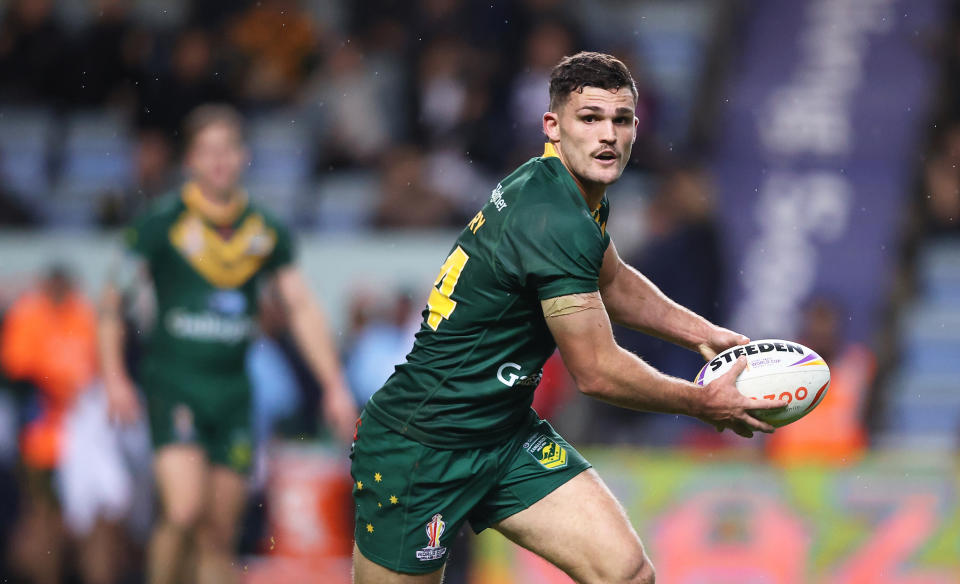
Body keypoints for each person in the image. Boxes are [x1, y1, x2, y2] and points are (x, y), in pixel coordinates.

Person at [349, 52, 787, 584]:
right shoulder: (553, 216)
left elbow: (612, 278)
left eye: (621, 120)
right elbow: (596, 372)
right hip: (423, 445)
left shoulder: (568, 190)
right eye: (590, 118)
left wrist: (705, 333)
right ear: (552, 126)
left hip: (503, 434)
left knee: (625, 573)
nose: (608, 135)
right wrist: (702, 402)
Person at [98, 104, 358, 584]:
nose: (219, 160)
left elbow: (300, 307)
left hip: (234, 392)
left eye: (228, 149)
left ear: (244, 157)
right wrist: (114, 377)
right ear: (190, 160)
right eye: (207, 150)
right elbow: (113, 302)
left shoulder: (263, 230)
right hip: (174, 383)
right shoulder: (161, 224)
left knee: (219, 530)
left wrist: (334, 384)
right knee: (182, 510)